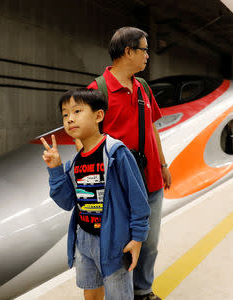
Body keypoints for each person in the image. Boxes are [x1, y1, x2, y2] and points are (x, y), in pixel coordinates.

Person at [40, 88, 150, 300]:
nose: (70, 119)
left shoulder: (116, 153)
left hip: (114, 241)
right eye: (65, 114)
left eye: (77, 111)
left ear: (98, 115)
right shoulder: (74, 163)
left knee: (119, 295)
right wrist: (55, 169)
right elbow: (67, 202)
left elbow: (138, 199)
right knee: (90, 292)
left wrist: (138, 238)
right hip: (84, 239)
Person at [87, 27, 172, 300]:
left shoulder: (143, 87)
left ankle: (143, 291)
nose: (148, 55)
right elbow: (85, 140)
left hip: (150, 180)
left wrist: (162, 164)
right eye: (144, 50)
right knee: (124, 245)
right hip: (119, 188)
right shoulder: (97, 90)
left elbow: (152, 128)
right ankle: (122, 294)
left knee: (150, 243)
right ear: (128, 52)